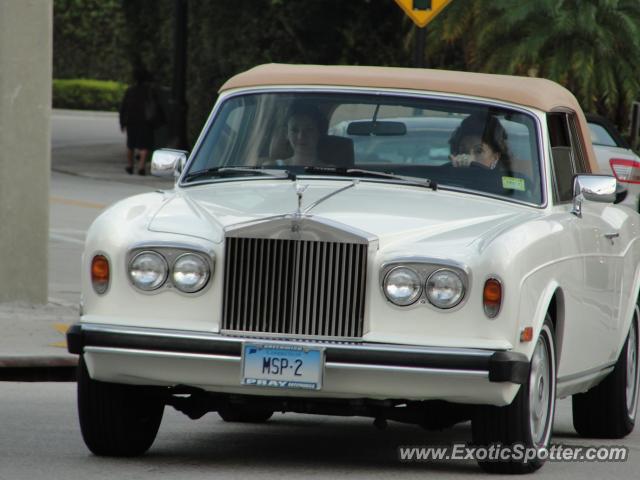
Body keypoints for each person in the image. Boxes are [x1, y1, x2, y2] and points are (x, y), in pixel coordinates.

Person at [119, 67, 162, 175]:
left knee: (131, 144)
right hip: (146, 121)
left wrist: (122, 122)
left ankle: (130, 165)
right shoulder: (150, 90)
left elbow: (123, 107)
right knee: (144, 145)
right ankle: (141, 166)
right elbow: (156, 106)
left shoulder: (130, 90)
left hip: (131, 120)